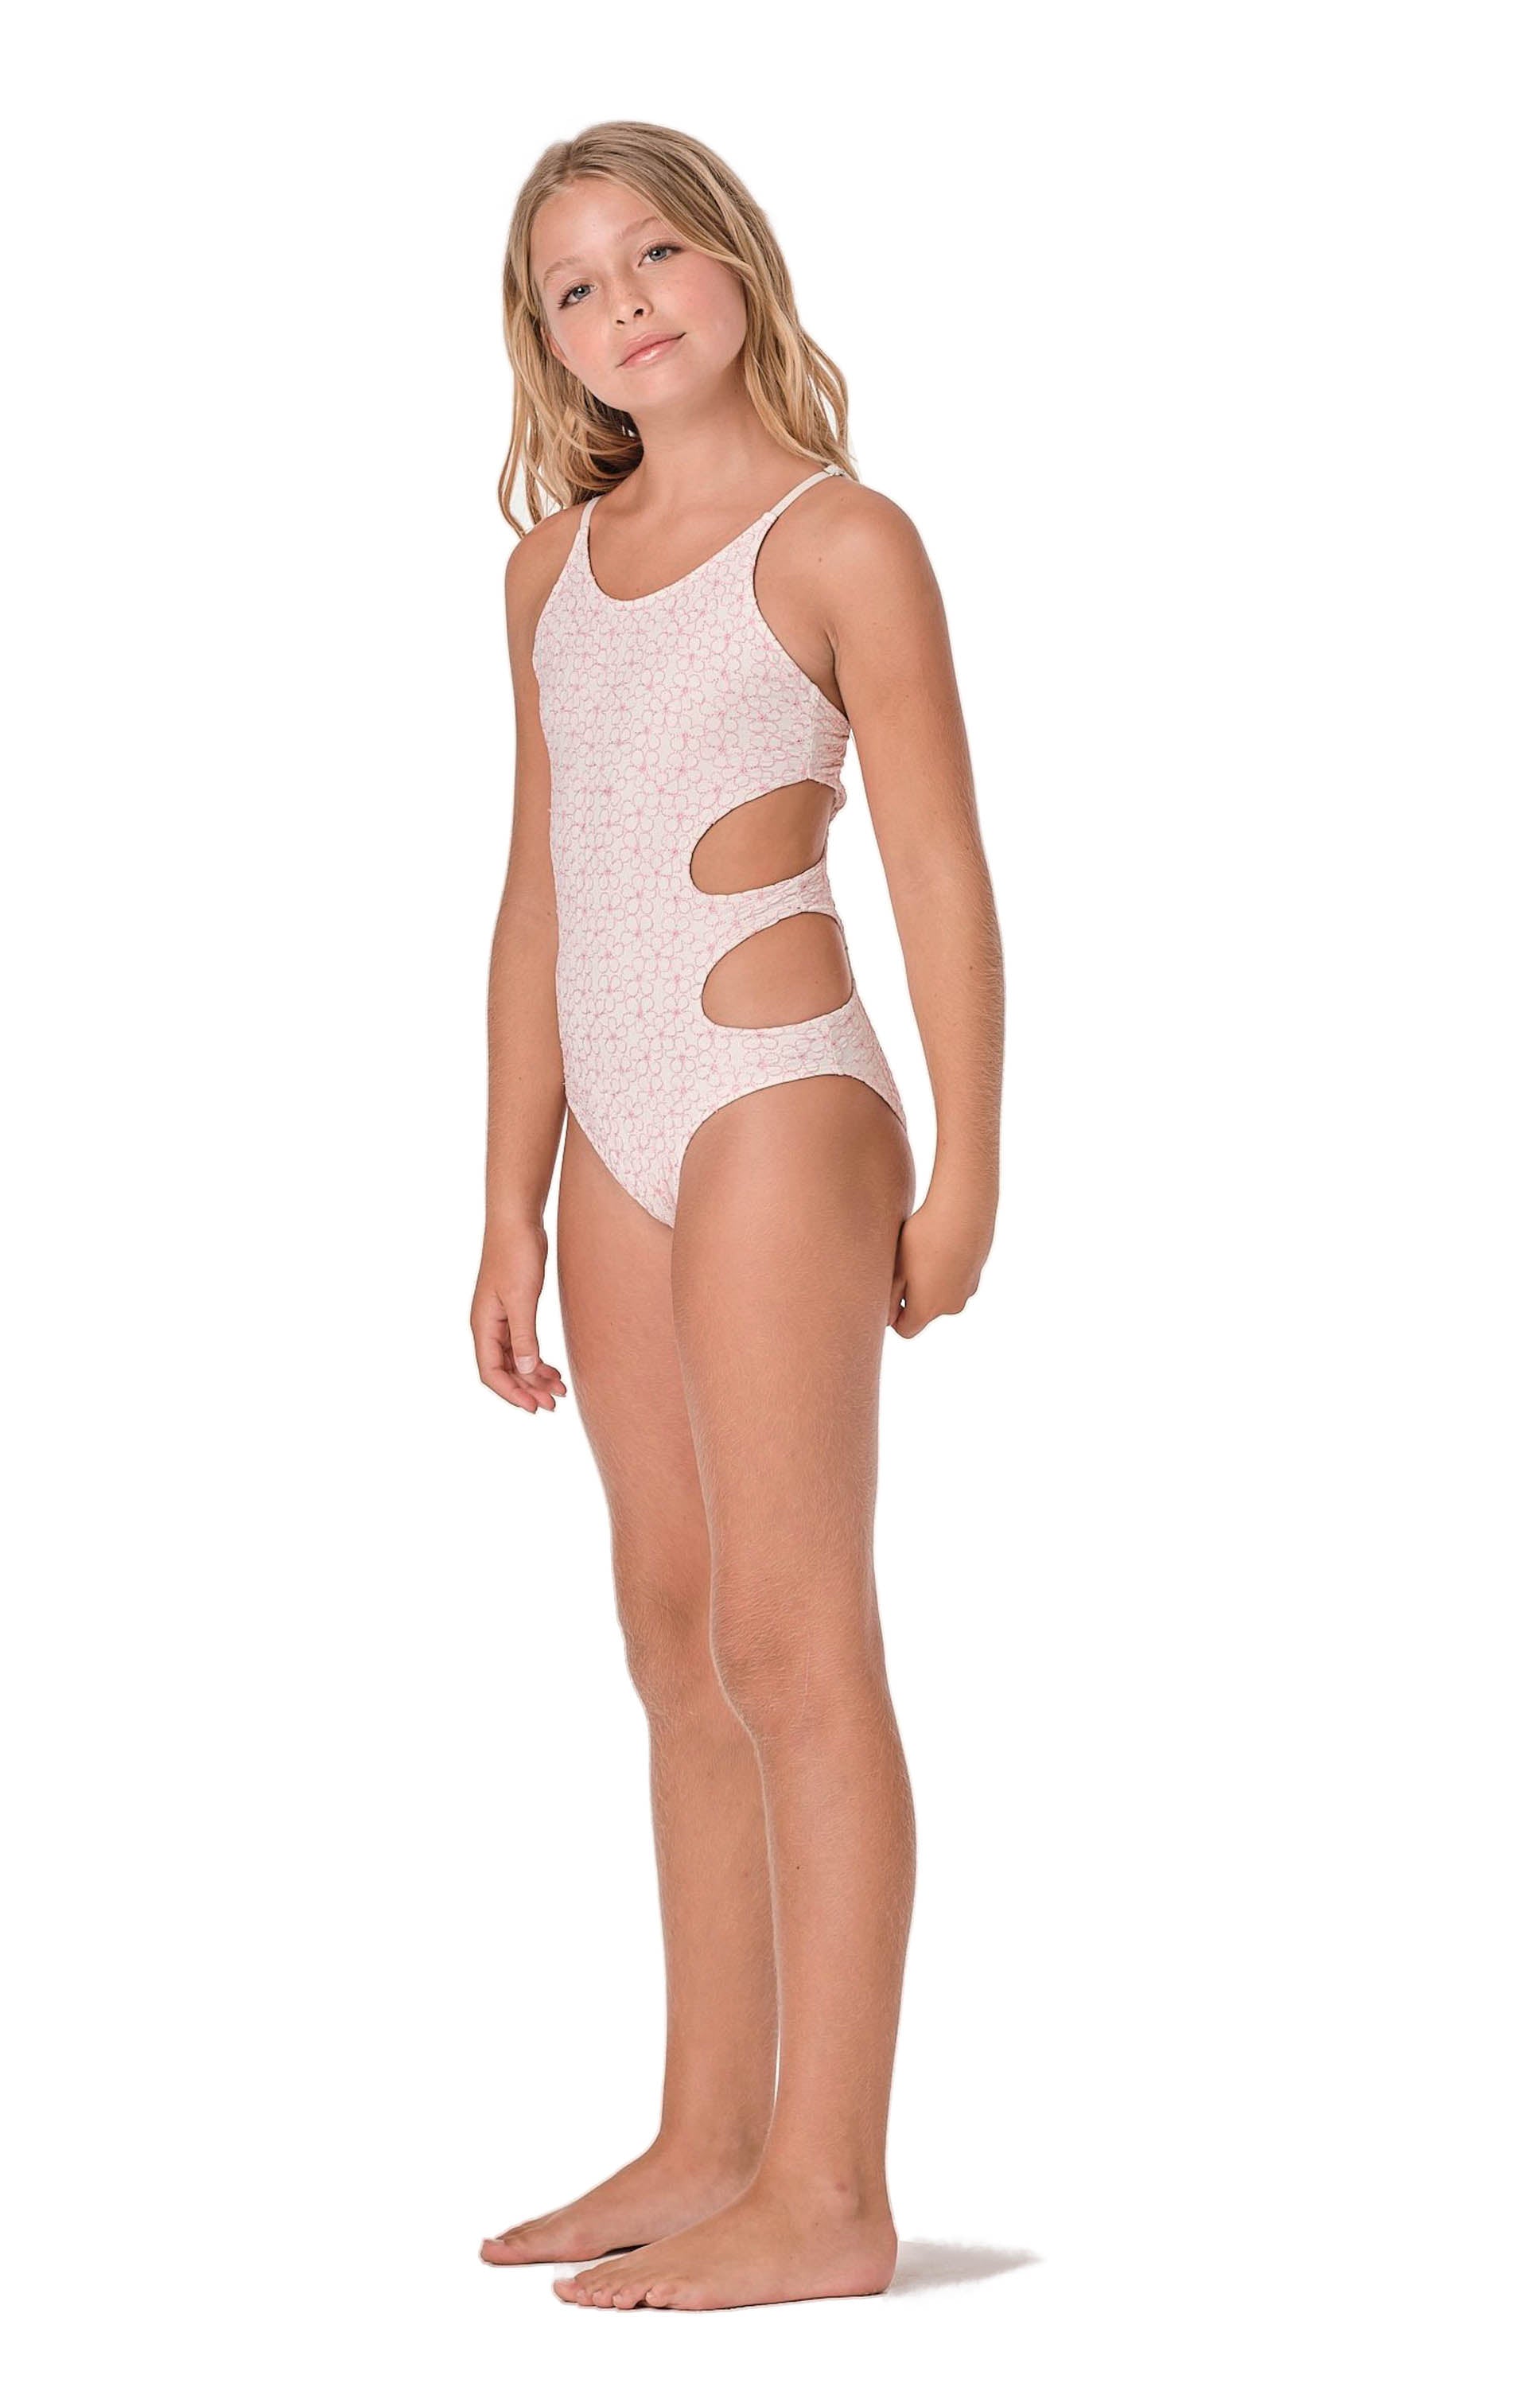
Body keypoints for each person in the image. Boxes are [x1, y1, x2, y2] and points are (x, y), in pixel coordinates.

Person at [471, 119, 1004, 2313]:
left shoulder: (842, 539)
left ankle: (830, 2187)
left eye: (657, 251)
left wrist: (969, 1169)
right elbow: (539, 893)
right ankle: (710, 2134)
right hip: (616, 1132)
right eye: (577, 286)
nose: (629, 303)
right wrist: (505, 1203)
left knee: (794, 1637)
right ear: (550, 347)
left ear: (738, 263)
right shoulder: (549, 574)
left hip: (783, 1103)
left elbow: (942, 868)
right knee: (673, 1628)